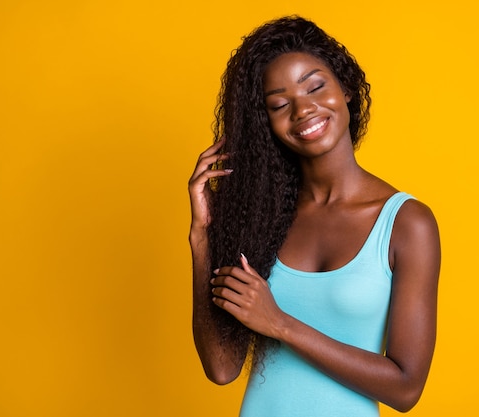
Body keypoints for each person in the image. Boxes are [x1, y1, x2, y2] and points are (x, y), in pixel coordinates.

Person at [188, 16, 441, 417]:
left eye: (315, 86)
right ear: (265, 123)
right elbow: (221, 368)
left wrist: (280, 324)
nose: (304, 109)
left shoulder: (406, 224)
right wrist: (203, 237)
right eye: (279, 104)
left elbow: (406, 388)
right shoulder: (261, 217)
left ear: (346, 89)